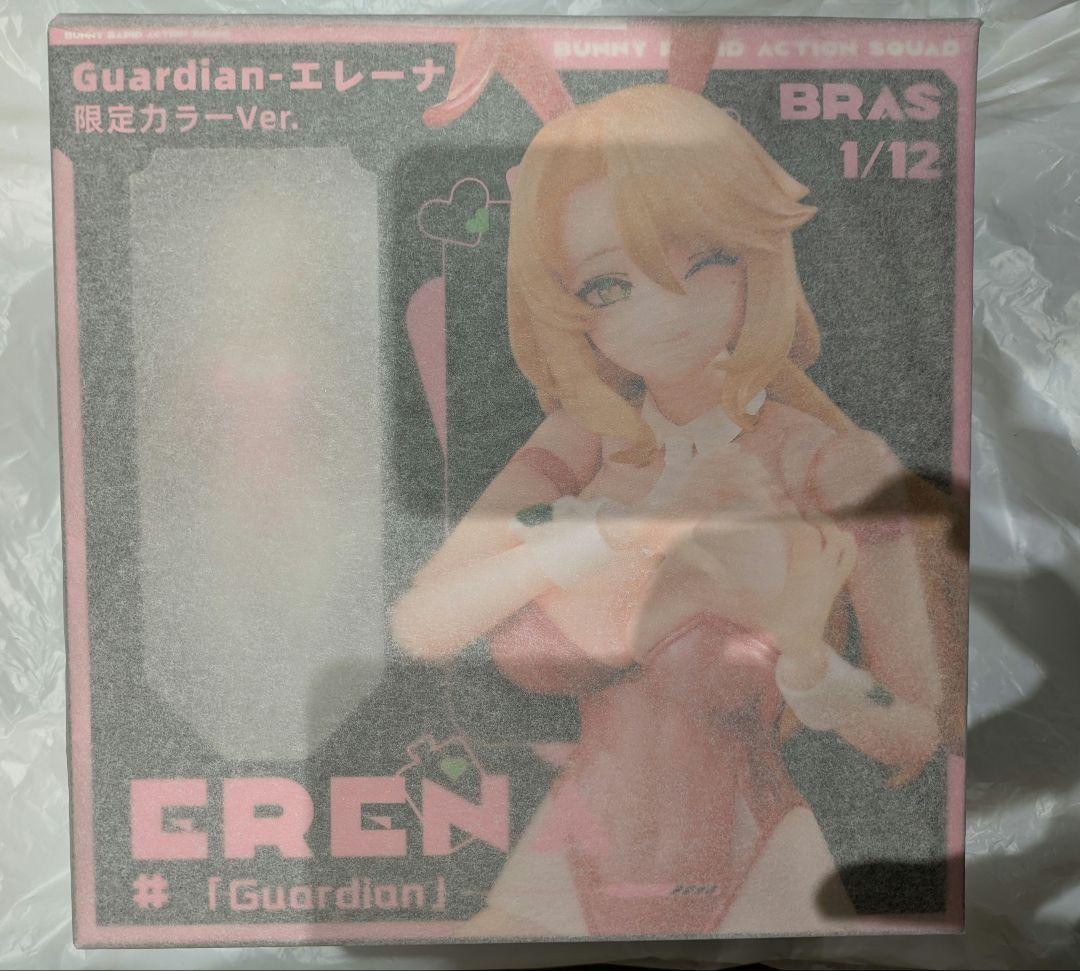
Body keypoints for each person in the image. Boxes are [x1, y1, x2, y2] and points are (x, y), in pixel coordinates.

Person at [392, 83, 947, 937]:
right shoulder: (580, 445)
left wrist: (811, 663)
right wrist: (625, 532)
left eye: (705, 258)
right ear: (565, 302)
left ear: (757, 252)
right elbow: (423, 623)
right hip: (572, 855)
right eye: (608, 285)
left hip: (758, 865)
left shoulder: (831, 466)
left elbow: (914, 732)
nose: (666, 308)